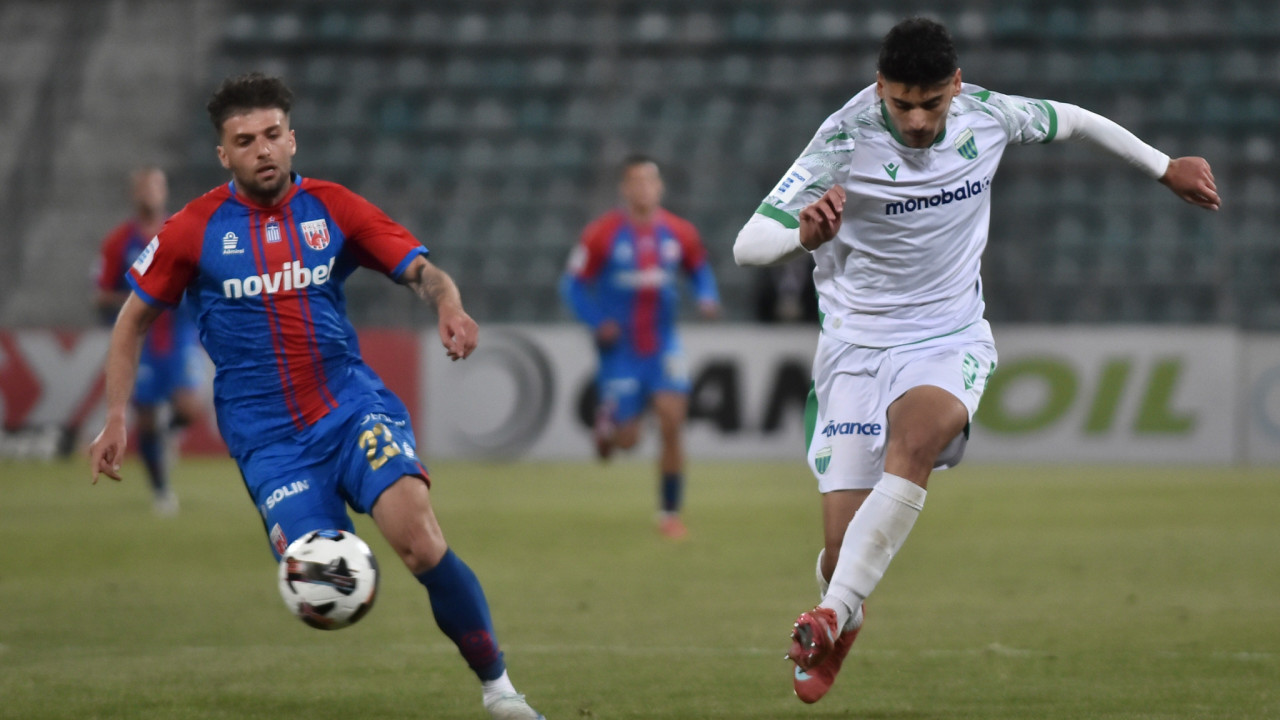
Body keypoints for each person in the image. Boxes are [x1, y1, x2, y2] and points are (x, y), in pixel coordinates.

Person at [733, 17, 1219, 705]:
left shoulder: (989, 115)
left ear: (955, 86)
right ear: (880, 87)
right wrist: (804, 236)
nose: (918, 120)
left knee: (917, 439)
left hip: (948, 335)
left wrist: (1164, 167)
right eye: (903, 103)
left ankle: (830, 616)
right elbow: (748, 245)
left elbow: (1076, 120)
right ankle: (845, 606)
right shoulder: (842, 138)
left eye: (932, 103)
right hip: (855, 349)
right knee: (842, 556)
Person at [87, 73, 544, 720]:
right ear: (224, 154)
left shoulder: (332, 207)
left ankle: (501, 692)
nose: (262, 149)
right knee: (321, 576)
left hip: (349, 406)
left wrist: (449, 305)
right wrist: (115, 418)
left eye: (272, 134)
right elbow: (131, 321)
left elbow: (422, 271)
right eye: (245, 141)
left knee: (418, 538)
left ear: (292, 139)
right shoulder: (193, 229)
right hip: (269, 441)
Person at [561, 155, 721, 540]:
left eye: (650, 181)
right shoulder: (602, 234)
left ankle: (669, 513)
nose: (644, 188)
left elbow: (699, 268)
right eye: (636, 181)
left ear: (659, 187)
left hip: (663, 344)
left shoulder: (679, 232)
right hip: (621, 349)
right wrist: (598, 322)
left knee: (672, 418)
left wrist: (706, 296)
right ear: (624, 189)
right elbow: (572, 285)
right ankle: (608, 428)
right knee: (628, 440)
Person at [93, 166, 204, 516]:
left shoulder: (183, 232)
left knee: (190, 408)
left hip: (179, 335)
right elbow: (102, 296)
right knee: (145, 420)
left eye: (155, 186)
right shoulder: (118, 242)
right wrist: (142, 298)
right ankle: (161, 491)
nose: (149, 193)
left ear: (164, 190)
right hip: (141, 341)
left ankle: (168, 437)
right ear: (134, 194)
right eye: (142, 187)